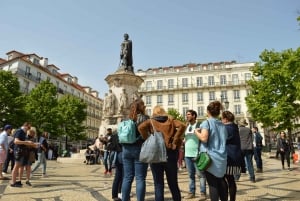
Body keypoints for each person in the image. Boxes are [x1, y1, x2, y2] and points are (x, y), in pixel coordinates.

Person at [138, 105, 186, 201]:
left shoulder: (151, 121)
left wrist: (147, 138)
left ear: (154, 113)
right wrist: (175, 140)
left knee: (158, 183)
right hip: (171, 153)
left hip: (156, 153)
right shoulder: (170, 120)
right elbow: (182, 125)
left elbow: (140, 127)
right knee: (173, 183)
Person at [194, 101, 228, 201]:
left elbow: (204, 138)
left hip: (210, 158)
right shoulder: (222, 125)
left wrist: (196, 132)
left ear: (208, 111)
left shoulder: (206, 122)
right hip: (222, 157)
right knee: (221, 182)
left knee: (213, 185)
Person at [121, 98, 149, 201]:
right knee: (140, 178)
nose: (144, 106)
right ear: (140, 107)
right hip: (139, 149)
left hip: (126, 149)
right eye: (143, 105)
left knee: (127, 177)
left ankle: (125, 199)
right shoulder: (145, 118)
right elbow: (149, 134)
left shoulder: (127, 119)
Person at [183, 110, 207, 200]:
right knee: (190, 175)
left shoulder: (199, 125)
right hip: (187, 154)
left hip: (197, 154)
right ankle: (191, 192)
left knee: (200, 175)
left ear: (194, 116)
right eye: (187, 114)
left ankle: (203, 193)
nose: (187, 116)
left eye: (188, 114)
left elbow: (203, 137)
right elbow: (185, 139)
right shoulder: (186, 126)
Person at [221, 111, 243, 201]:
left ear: (225, 119)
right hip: (234, 156)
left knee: (222, 179)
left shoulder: (227, 128)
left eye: (221, 119)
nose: (221, 120)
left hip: (228, 157)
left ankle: (225, 198)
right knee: (230, 179)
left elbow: (222, 140)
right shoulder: (234, 127)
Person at [11, 122, 37, 187]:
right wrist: (27, 142)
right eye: (28, 127)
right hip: (18, 151)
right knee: (16, 166)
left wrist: (29, 143)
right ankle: (13, 182)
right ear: (25, 126)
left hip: (20, 151)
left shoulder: (22, 132)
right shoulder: (20, 131)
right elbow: (16, 141)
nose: (29, 129)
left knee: (17, 166)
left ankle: (15, 182)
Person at [238, 118, 255, 183]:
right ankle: (252, 178)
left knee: (239, 163)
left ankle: (237, 177)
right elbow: (252, 139)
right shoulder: (249, 130)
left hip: (241, 148)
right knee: (249, 163)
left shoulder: (238, 130)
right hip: (249, 148)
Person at [112, 135, 123, 201]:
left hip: (118, 155)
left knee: (117, 177)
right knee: (125, 177)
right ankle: (121, 194)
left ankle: (114, 195)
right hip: (123, 154)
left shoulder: (115, 136)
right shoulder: (127, 133)